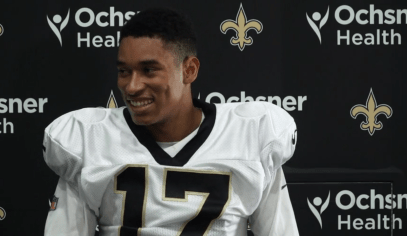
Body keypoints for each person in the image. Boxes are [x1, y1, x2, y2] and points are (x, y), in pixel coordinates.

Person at [43, 7, 299, 236]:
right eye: (124, 72)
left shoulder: (253, 135)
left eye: (149, 70)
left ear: (189, 70)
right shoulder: (87, 140)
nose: (131, 87)